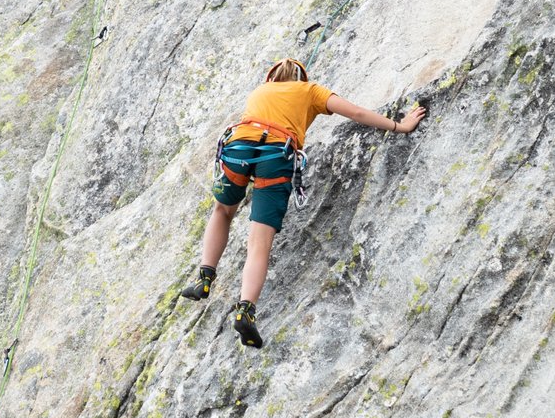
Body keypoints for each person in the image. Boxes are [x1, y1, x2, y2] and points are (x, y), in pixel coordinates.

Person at [179, 58, 427, 347]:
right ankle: (245, 310)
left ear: (273, 78)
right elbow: (357, 112)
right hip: (276, 154)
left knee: (222, 211)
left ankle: (204, 277)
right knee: (260, 241)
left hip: (239, 147)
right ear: (302, 77)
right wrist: (399, 126)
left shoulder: (260, 90)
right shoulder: (310, 90)